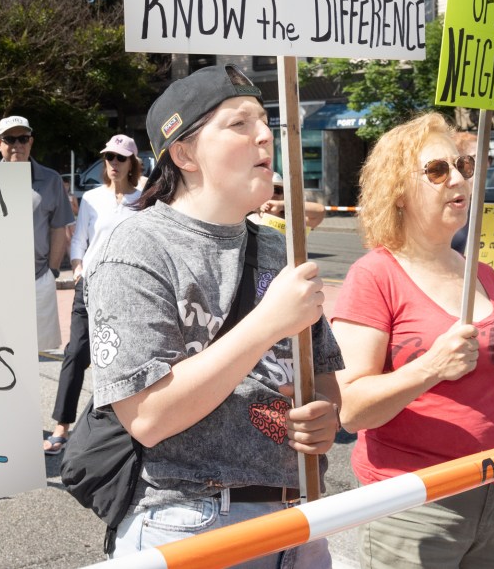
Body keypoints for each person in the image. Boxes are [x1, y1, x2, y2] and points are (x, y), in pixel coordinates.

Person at [87, 65, 342, 564]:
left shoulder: (278, 247)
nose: (265, 135)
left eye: (265, 121)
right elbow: (148, 416)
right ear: (183, 153)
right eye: (239, 124)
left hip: (301, 518)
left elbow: (327, 385)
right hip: (191, 523)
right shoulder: (136, 246)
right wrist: (269, 321)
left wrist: (325, 418)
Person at [329, 112, 494, 569]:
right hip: (416, 501)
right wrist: (429, 368)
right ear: (397, 191)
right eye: (438, 170)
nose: (457, 178)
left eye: (464, 166)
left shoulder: (481, 274)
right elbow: (352, 409)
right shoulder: (375, 275)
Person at [43, 133, 144, 455]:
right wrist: (76, 266)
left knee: (125, 358)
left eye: (120, 158)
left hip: (127, 291)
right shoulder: (91, 199)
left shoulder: (145, 200)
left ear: (132, 163)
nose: (113, 163)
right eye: (108, 157)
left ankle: (122, 428)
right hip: (90, 286)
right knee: (76, 353)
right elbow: (79, 241)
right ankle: (62, 425)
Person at [0, 115, 73, 353]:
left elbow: (59, 227)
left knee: (35, 352)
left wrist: (52, 271)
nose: (17, 145)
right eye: (10, 139)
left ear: (31, 142)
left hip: (38, 277)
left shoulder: (51, 180)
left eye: (23, 138)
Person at [253, 171, 326, 231]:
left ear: (284, 195)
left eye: (277, 190)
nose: (272, 194)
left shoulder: (292, 221)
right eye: (267, 190)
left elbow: (320, 211)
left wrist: (282, 205)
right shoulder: (250, 219)